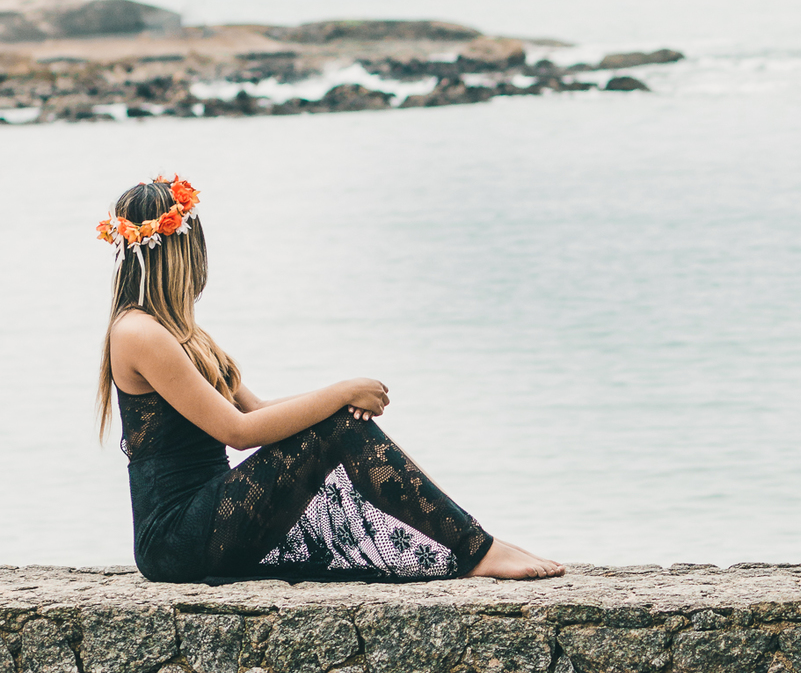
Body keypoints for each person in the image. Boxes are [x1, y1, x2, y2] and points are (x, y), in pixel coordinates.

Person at [97, 175, 564, 584]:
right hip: (177, 538)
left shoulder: (181, 331)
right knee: (339, 426)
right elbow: (237, 433)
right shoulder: (140, 333)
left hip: (209, 518)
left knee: (340, 423)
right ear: (184, 248)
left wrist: (339, 399)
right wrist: (340, 395)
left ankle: (477, 544)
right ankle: (477, 550)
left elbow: (257, 411)